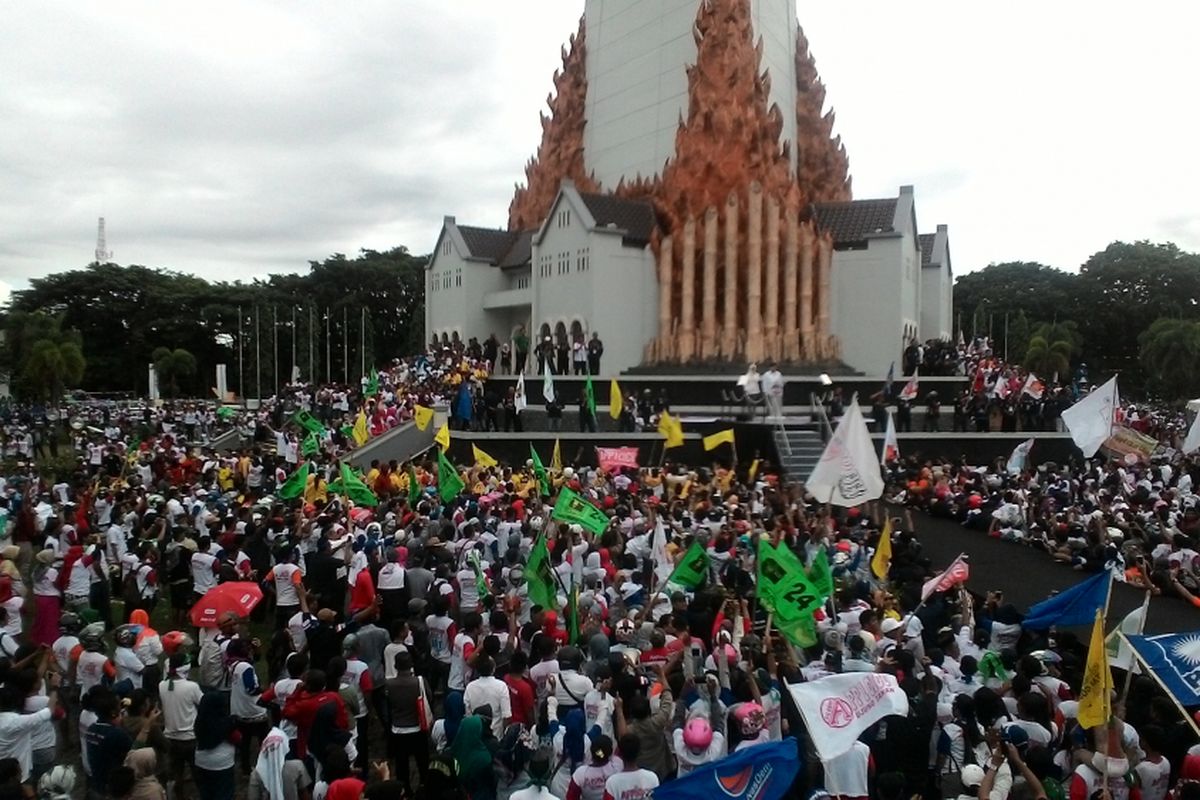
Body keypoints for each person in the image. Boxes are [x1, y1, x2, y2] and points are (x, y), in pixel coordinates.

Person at [194, 691, 238, 800]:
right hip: (223, 764)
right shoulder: (228, 723)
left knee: (206, 794)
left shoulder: (199, 722)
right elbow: (237, 738)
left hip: (201, 762)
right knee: (224, 794)